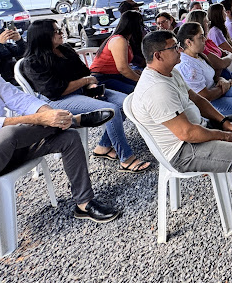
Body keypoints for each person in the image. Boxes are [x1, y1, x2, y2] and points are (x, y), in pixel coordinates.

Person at [0, 31, 120, 223]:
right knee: (9, 132)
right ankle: (75, 120)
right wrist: (41, 119)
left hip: (6, 150)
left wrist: (51, 115)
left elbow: (20, 99)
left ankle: (84, 203)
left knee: (68, 137)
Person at [130, 30, 232, 242]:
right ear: (158, 55)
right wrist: (224, 136)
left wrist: (224, 121)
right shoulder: (156, 89)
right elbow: (187, 133)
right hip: (182, 150)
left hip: (199, 128)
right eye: (174, 47)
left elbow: (198, 100)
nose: (180, 50)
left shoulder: (170, 72)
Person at [22, 19, 150, 173]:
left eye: (60, 29)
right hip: (58, 100)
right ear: (43, 35)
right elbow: (56, 90)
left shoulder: (65, 49)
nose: (61, 33)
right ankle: (126, 158)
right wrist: (86, 81)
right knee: (112, 109)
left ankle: (103, 146)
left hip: (82, 90)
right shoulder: (33, 62)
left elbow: (84, 71)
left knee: (126, 103)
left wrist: (90, 85)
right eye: (57, 31)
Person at [175, 22, 232, 116]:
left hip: (218, 91)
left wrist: (221, 79)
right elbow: (204, 96)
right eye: (201, 37)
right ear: (188, 42)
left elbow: (213, 77)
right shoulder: (187, 66)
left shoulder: (198, 55)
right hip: (209, 104)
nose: (205, 39)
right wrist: (224, 86)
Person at [89, 11, 144, 94]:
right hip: (102, 78)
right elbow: (123, 69)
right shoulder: (119, 40)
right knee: (138, 90)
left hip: (115, 75)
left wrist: (133, 73)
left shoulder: (124, 39)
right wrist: (141, 80)